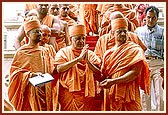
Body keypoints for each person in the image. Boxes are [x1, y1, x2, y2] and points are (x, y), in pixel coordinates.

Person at [99, 17, 150, 111]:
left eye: (125, 31)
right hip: (112, 93)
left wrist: (113, 81)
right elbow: (104, 75)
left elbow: (135, 73)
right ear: (113, 34)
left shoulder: (135, 50)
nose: (123, 34)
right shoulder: (107, 53)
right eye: (119, 31)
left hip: (130, 94)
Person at [8, 16, 55, 111]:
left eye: (40, 32)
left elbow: (53, 69)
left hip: (46, 91)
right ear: (28, 34)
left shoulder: (46, 50)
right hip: (29, 92)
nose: (39, 34)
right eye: (36, 32)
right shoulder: (21, 52)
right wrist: (31, 75)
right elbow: (15, 74)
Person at [54, 24, 102, 111]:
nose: (81, 41)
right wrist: (78, 59)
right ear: (71, 39)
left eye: (83, 38)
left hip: (87, 94)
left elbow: (99, 73)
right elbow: (59, 69)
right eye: (78, 38)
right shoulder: (63, 52)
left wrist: (87, 62)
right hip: (69, 93)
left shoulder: (90, 54)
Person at [134, 5, 164, 111]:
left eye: (153, 17)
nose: (150, 20)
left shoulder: (163, 31)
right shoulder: (138, 31)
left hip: (159, 65)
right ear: (145, 17)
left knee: (160, 95)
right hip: (144, 64)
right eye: (148, 17)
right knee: (144, 95)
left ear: (157, 17)